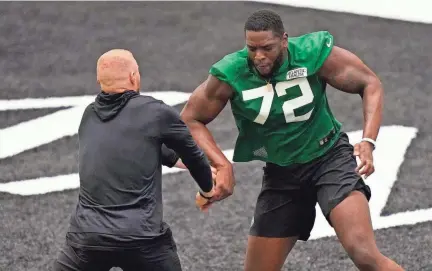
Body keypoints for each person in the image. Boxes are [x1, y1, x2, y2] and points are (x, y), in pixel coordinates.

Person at [181, 9, 404, 271]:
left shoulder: (311, 54)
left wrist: (368, 140)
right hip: (282, 173)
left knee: (364, 253)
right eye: (252, 48)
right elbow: (190, 119)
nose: (259, 56)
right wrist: (222, 164)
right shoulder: (232, 72)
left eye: (267, 47)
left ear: (284, 40)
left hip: (329, 159)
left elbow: (370, 82)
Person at [54, 49, 215, 271]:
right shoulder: (156, 112)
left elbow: (139, 147)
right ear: (133, 77)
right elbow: (194, 156)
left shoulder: (89, 116)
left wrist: (178, 162)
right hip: (142, 238)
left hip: (87, 237)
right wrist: (207, 190)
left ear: (100, 80)